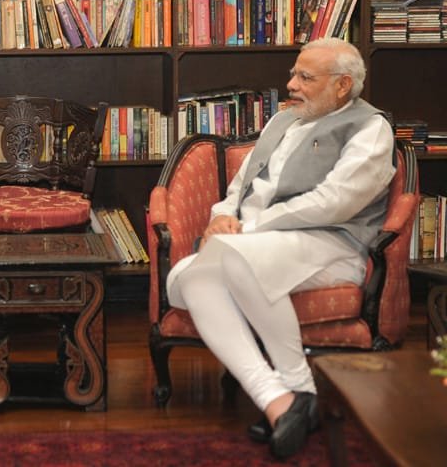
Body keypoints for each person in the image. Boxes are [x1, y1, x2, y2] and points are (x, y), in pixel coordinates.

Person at [165, 37, 395, 459]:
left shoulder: (370, 128)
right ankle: (283, 400)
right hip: (254, 243)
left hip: (330, 242)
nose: (291, 84)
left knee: (214, 266)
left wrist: (246, 228)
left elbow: (335, 202)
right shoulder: (282, 122)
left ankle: (292, 390)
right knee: (188, 280)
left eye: (305, 77)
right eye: (294, 73)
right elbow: (240, 186)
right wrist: (221, 215)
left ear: (343, 85)